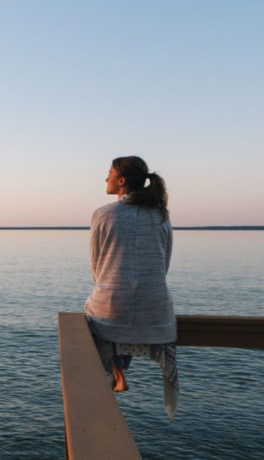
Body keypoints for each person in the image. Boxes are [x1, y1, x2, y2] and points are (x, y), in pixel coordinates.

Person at [85, 155, 179, 417]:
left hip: (112, 308)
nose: (105, 178)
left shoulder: (103, 213)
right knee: (117, 311)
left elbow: (96, 268)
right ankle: (119, 370)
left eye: (109, 174)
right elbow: (165, 264)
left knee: (96, 314)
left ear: (122, 181)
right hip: (157, 311)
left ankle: (115, 370)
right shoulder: (160, 214)